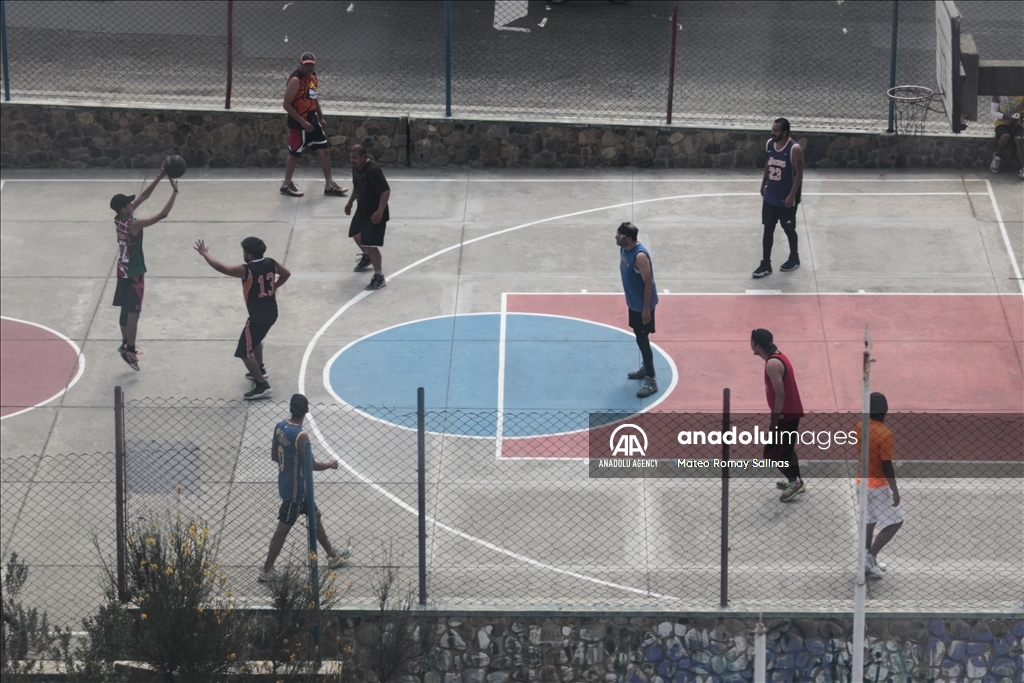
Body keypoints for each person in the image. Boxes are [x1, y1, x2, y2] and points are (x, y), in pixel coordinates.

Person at [259, 393, 351, 582]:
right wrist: (330, 464)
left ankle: (331, 555)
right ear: (307, 411)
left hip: (287, 484)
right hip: (296, 491)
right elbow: (313, 465)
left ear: (290, 409)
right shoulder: (301, 435)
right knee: (282, 529)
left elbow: (275, 456)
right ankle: (267, 569)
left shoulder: (280, 427)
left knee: (315, 516)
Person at [193, 237, 291, 400]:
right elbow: (286, 274)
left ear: (250, 255)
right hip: (272, 312)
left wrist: (205, 254)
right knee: (256, 339)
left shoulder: (247, 270)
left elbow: (219, 267)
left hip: (257, 316)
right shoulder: (271, 263)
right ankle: (260, 369)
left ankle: (262, 385)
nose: (243, 254)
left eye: (244, 252)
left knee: (244, 352)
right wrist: (273, 287)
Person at [110, 169, 179, 371]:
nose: (133, 204)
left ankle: (124, 342)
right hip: (134, 272)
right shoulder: (134, 224)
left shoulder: (118, 220)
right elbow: (163, 214)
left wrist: (159, 177)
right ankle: (130, 350)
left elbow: (144, 196)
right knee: (134, 312)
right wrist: (174, 192)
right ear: (124, 209)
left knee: (124, 307)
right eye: (129, 204)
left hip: (122, 270)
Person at [280, 52, 348, 198]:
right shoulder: (295, 80)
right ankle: (286, 184)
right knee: (294, 153)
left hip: (312, 120)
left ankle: (329, 185)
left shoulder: (313, 78)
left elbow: (313, 98)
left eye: (311, 64)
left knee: (324, 149)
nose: (309, 67)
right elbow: (286, 104)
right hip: (299, 123)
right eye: (306, 65)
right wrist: (302, 121)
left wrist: (321, 117)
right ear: (301, 64)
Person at [750, 328, 806, 502]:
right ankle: (796, 481)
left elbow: (780, 394)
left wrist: (774, 419)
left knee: (773, 454)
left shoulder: (772, 364)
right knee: (787, 450)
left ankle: (794, 482)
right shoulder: (778, 356)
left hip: (785, 415)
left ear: (757, 346)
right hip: (790, 412)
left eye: (751, 342)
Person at [854, 392, 903, 578]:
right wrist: (894, 490)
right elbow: (886, 464)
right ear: (885, 412)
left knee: (869, 521)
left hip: (861, 480)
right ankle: (870, 556)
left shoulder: (859, 426)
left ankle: (866, 559)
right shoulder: (885, 434)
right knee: (895, 522)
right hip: (878, 485)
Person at [753, 117, 803, 278]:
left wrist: (791, 196)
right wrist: (763, 184)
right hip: (770, 196)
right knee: (768, 229)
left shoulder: (794, 149)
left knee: (789, 229)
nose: (772, 132)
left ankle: (794, 257)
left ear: (785, 132)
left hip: (786, 198)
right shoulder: (770, 144)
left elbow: (799, 175)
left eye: (776, 130)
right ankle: (766, 263)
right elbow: (768, 165)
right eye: (772, 129)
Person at [615, 222, 659, 399]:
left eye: (619, 236)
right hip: (633, 304)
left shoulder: (640, 256)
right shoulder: (624, 250)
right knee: (639, 338)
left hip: (642, 307)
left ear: (629, 239)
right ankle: (646, 368)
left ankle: (651, 380)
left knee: (643, 340)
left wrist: (646, 309)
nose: (616, 238)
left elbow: (649, 283)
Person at [346, 144, 392, 290]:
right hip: (362, 210)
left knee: (372, 245)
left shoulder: (373, 170)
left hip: (374, 213)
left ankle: (379, 276)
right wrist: (350, 202)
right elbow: (357, 185)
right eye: (351, 157)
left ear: (364, 157)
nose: (352, 160)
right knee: (355, 234)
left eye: (355, 158)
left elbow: (385, 191)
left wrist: (379, 211)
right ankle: (367, 257)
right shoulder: (356, 168)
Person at [988, 95, 1024, 179]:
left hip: (1020, 123)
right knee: (1005, 136)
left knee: (1018, 139)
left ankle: (1023, 167)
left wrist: (1020, 115)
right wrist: (1007, 117)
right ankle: (998, 156)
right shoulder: (998, 93)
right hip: (1002, 122)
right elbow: (993, 112)